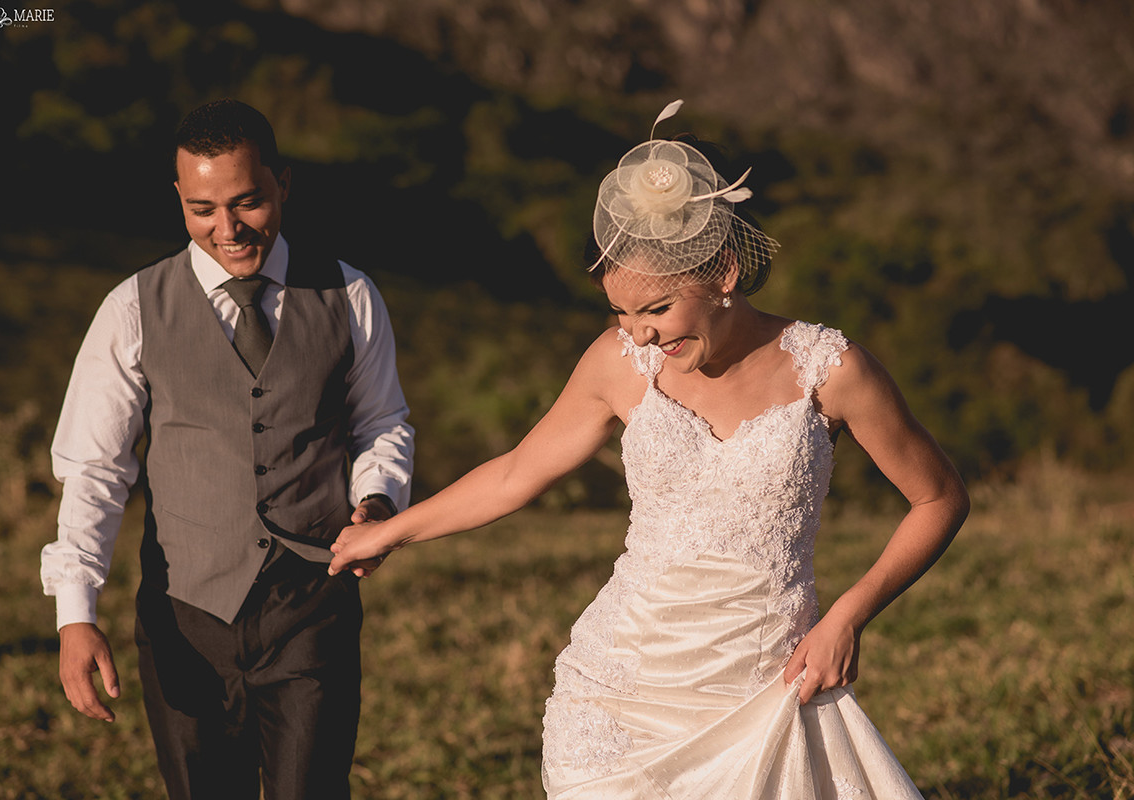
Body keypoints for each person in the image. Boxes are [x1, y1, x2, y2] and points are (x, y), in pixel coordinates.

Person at [328, 100, 969, 798]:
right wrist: (392, 531)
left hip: (761, 690)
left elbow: (938, 500)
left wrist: (849, 615)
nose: (641, 335)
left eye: (658, 309)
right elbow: (516, 473)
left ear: (723, 273)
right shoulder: (618, 364)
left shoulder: (829, 369)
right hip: (619, 692)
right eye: (621, 313)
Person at [40, 98, 414, 800]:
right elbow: (94, 471)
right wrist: (75, 614)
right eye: (203, 209)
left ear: (284, 184)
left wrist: (377, 501)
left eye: (247, 202)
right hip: (185, 621)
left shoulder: (351, 294)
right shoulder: (131, 308)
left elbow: (383, 422)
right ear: (179, 199)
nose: (228, 228)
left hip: (312, 607)